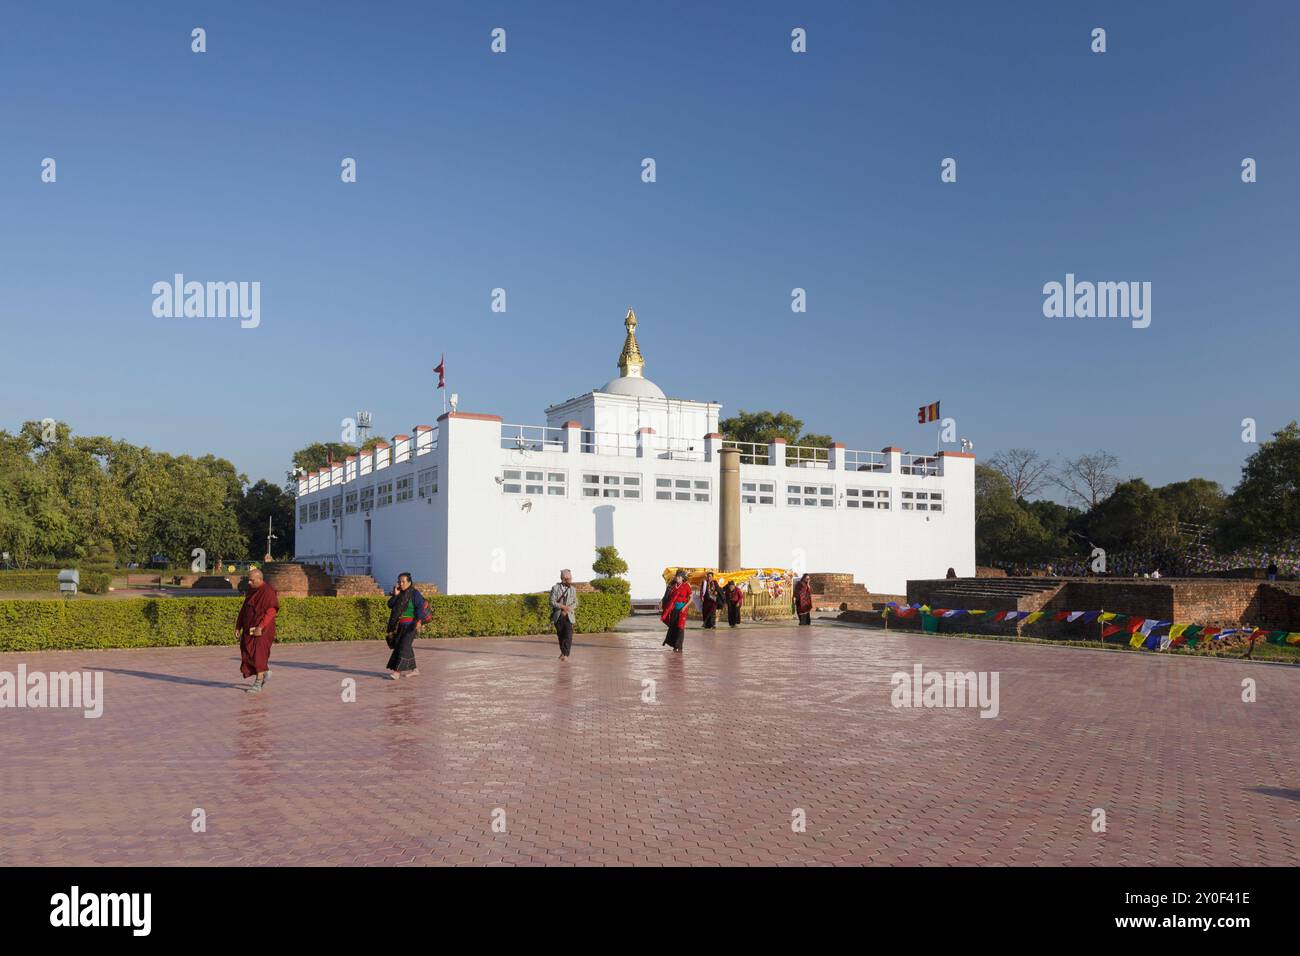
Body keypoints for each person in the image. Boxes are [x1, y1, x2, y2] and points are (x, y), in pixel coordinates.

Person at [236, 566, 279, 693]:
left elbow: (271, 611)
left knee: (258, 655)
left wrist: (260, 627)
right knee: (247, 651)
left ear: (259, 579)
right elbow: (244, 609)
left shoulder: (268, 591)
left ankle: (258, 682)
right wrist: (238, 626)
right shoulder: (252, 591)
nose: (249, 582)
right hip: (249, 628)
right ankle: (264, 673)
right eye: (249, 580)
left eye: (251, 580)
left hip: (263, 630)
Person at [386, 572, 431, 678]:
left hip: (411, 625)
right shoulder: (399, 593)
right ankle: (415, 669)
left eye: (403, 581)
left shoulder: (415, 593)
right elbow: (390, 605)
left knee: (403, 646)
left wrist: (419, 621)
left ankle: (397, 672)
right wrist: (395, 595)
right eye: (399, 581)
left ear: (409, 582)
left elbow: (420, 608)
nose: (401, 584)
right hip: (400, 626)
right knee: (403, 646)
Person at [549, 569, 579, 661]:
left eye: (570, 578)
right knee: (561, 635)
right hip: (558, 615)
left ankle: (566, 654)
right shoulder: (555, 588)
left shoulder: (573, 589)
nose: (570, 580)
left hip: (569, 615)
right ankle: (563, 652)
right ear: (563, 579)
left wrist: (568, 609)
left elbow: (575, 602)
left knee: (569, 635)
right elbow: (552, 602)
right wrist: (562, 607)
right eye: (568, 579)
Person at [661, 570, 692, 652]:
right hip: (674, 609)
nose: (677, 578)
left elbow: (691, 599)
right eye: (676, 577)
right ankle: (674, 645)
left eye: (679, 577)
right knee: (673, 626)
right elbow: (668, 597)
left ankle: (679, 646)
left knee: (680, 628)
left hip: (682, 610)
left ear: (682, 578)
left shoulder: (686, 586)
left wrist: (684, 607)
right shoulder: (673, 586)